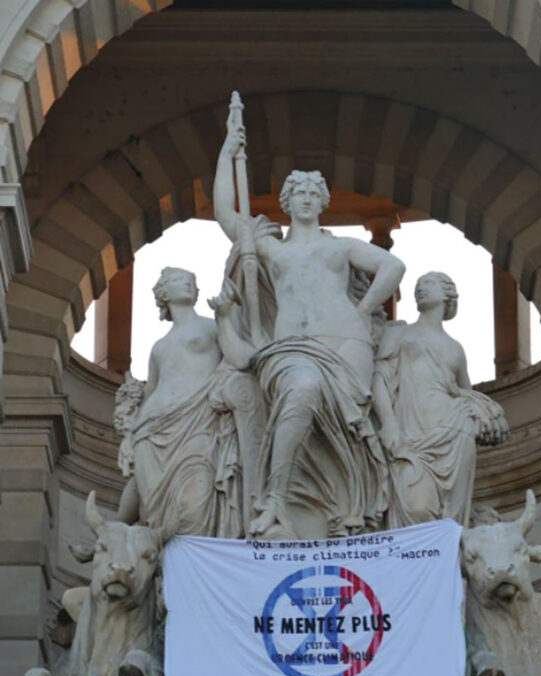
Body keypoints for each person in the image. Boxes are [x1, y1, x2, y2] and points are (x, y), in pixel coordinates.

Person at [214, 120, 405, 539]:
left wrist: (362, 311)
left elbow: (393, 266)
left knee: (338, 426)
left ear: (322, 203)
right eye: (297, 193)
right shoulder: (270, 248)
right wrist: (228, 152)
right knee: (301, 390)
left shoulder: (339, 247)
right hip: (291, 349)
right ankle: (277, 500)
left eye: (312, 193)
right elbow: (225, 215)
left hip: (344, 343)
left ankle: (338, 512)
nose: (304, 198)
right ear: (286, 202)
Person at [373, 271, 509, 527]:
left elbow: (465, 392)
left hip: (454, 432)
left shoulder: (455, 348)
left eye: (428, 284)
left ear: (447, 293)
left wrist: (484, 409)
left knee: (449, 517)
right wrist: (388, 422)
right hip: (410, 433)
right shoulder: (398, 334)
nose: (419, 288)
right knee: (416, 507)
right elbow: (380, 379)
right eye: (418, 285)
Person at [116, 267, 243, 538]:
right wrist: (131, 430)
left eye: (191, 280)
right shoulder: (159, 346)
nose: (186, 282)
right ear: (163, 293)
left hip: (199, 418)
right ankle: (116, 533)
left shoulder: (213, 325)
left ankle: (195, 565)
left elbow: (238, 359)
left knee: (195, 502)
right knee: (151, 506)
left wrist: (228, 315)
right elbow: (151, 390)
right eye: (177, 280)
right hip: (152, 429)